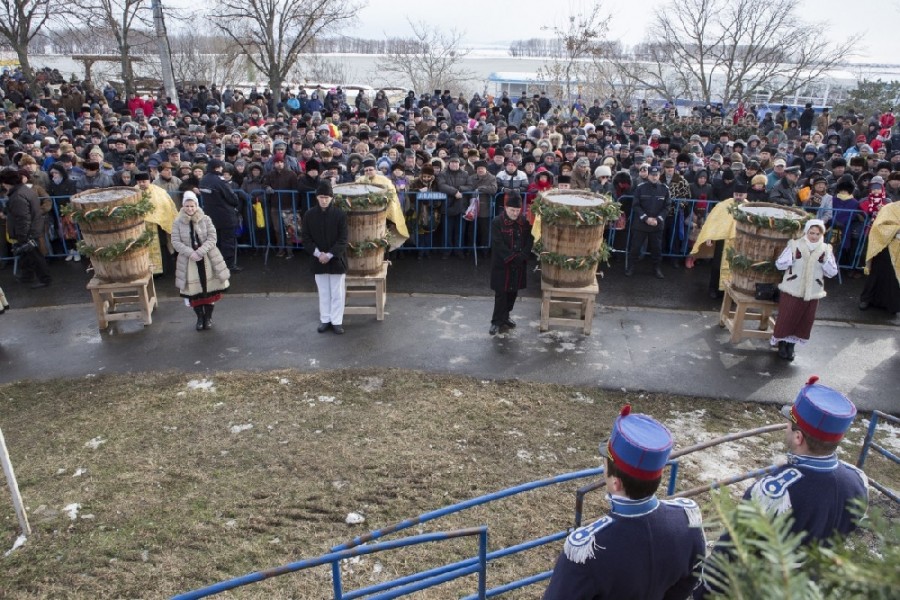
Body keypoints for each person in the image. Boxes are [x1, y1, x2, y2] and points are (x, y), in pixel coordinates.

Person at [695, 377, 868, 598]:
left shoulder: (774, 492)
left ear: (798, 437)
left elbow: (731, 554)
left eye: (789, 423)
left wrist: (705, 592)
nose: (786, 426)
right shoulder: (858, 481)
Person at [543, 405, 706, 600]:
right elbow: (690, 580)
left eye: (604, 466)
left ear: (615, 482)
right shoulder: (687, 519)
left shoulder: (588, 550)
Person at [771, 219, 838, 361]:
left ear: (822, 234)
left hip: (813, 291)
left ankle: (791, 346)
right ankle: (782, 344)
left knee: (804, 320)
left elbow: (832, 272)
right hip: (792, 288)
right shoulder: (795, 245)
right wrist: (790, 261)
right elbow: (780, 264)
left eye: (817, 234)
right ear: (806, 232)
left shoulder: (825, 249)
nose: (814, 236)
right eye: (811, 233)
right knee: (787, 317)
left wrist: (826, 263)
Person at [170, 191, 230, 331]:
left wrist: (201, 251)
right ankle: (199, 318)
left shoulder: (206, 219)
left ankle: (208, 318)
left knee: (209, 291)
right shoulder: (177, 222)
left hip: (207, 259)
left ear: (196, 205)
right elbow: (176, 241)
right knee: (194, 292)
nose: (190, 208)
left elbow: (212, 238)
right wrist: (191, 253)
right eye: (187, 206)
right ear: (183, 206)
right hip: (189, 261)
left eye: (192, 205)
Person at [300, 181, 349, 335]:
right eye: (321, 197)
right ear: (317, 197)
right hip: (317, 259)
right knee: (323, 291)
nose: (324, 200)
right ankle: (325, 319)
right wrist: (318, 254)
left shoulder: (340, 215)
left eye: (327, 197)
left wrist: (329, 255)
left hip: (336, 259)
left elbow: (343, 239)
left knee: (337, 292)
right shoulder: (309, 215)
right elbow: (306, 238)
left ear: (331, 198)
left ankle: (337, 321)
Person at [488, 192, 533, 336]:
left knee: (513, 292)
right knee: (501, 293)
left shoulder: (524, 222)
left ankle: (506, 317)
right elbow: (498, 244)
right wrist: (513, 257)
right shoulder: (496, 222)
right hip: (503, 264)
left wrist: (524, 255)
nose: (515, 213)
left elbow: (529, 241)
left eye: (517, 210)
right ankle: (496, 321)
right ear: (506, 208)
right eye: (512, 210)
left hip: (519, 264)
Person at [1, 168, 51, 288]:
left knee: (35, 256)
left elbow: (23, 218)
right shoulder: (24, 190)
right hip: (32, 228)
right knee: (27, 255)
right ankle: (27, 276)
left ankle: (44, 279)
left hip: (27, 231)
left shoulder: (18, 196)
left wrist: (23, 236)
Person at [625, 164, 670, 279]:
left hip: (656, 224)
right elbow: (636, 205)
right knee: (635, 247)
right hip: (641, 224)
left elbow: (667, 207)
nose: (654, 177)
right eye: (652, 175)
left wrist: (658, 219)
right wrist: (646, 218)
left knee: (657, 249)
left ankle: (656, 269)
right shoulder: (640, 187)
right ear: (648, 175)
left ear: (659, 175)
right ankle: (631, 267)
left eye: (656, 175)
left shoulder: (664, 189)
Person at [198, 159, 243, 271]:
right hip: (226, 216)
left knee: (215, 242)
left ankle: (216, 265)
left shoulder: (203, 180)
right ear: (217, 167)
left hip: (211, 216)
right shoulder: (219, 181)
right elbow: (232, 199)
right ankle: (229, 265)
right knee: (228, 242)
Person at [859, 199, 900, 314]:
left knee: (895, 277)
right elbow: (878, 227)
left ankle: (891, 304)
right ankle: (867, 299)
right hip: (886, 247)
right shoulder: (889, 208)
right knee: (877, 273)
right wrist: (896, 230)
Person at [134, 171, 179, 277]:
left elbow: (167, 207)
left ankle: (163, 271)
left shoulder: (159, 192)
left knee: (162, 247)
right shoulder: (133, 192)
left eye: (144, 182)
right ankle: (146, 270)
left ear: (149, 181)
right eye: (139, 182)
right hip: (140, 227)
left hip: (158, 226)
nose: (141, 184)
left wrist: (158, 218)